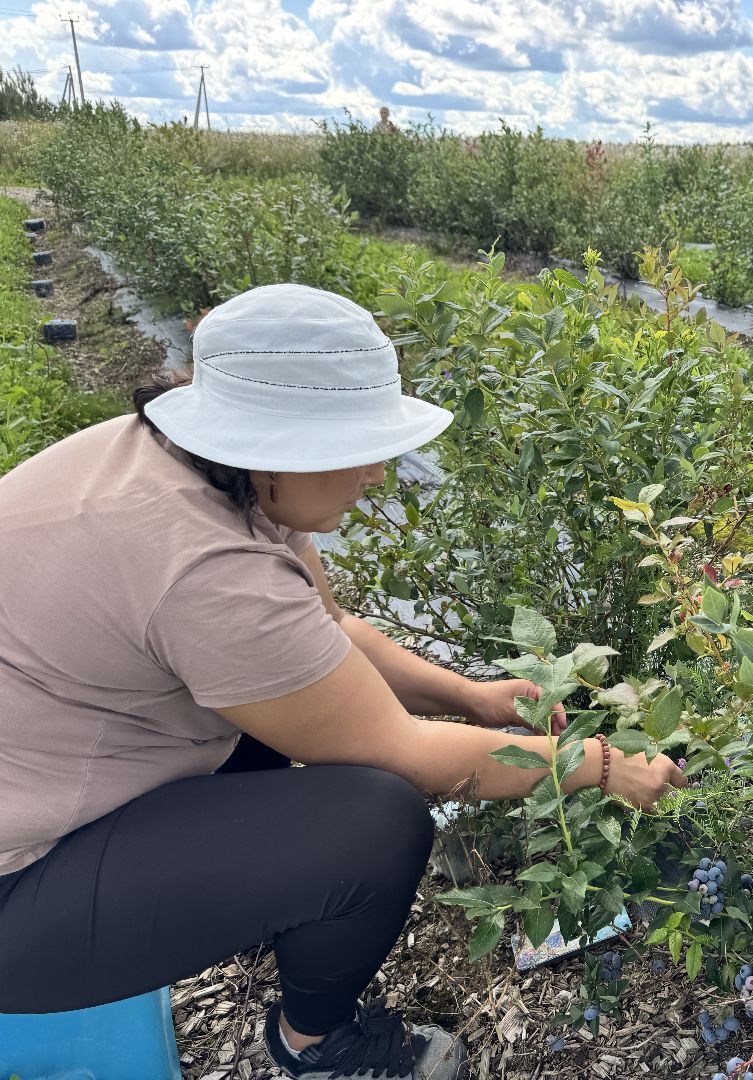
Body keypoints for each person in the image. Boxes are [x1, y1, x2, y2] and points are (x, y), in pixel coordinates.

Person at [0, 284, 685, 1080]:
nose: (379, 473)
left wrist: (470, 695)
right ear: (280, 445)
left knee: (299, 728)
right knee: (376, 821)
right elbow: (409, 756)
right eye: (358, 449)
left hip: (55, 772)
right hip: (20, 884)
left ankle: (255, 904)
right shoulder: (206, 568)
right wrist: (600, 766)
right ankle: (313, 1044)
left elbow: (326, 636)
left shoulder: (209, 468)